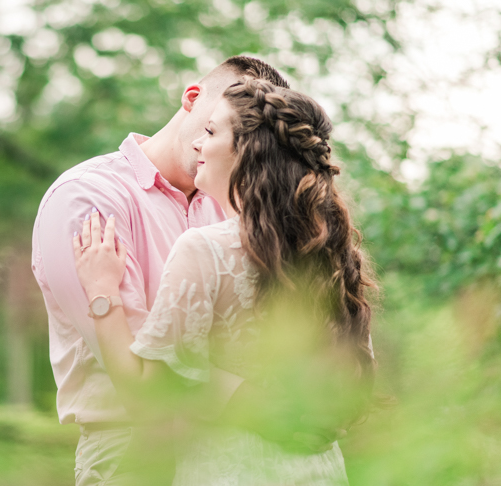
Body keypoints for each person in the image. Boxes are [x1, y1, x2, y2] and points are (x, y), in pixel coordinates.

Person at [32, 56, 340, 486]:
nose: (212, 145)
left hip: (247, 449)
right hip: (135, 449)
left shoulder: (244, 205)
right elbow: (145, 366)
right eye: (214, 127)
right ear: (194, 99)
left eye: (249, 138)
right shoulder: (88, 197)